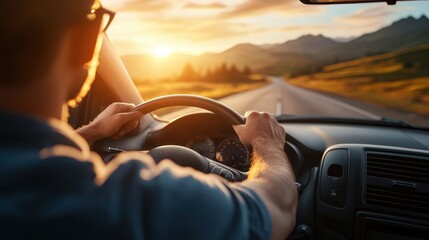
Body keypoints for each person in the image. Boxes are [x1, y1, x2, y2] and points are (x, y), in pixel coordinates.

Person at [0, 0, 297, 239]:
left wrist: (91, 132)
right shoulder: (127, 208)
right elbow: (275, 208)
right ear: (87, 40)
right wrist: (265, 142)